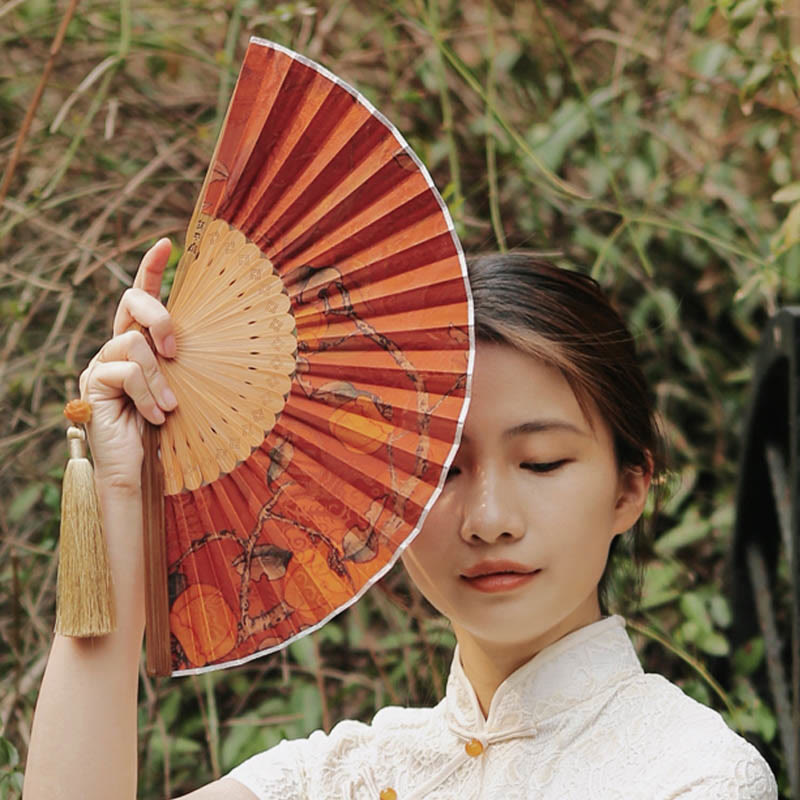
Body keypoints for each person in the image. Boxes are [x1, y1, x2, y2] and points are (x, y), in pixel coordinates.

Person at [23, 241, 777, 800]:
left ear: (631, 486)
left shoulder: (695, 776)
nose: (489, 520)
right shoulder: (342, 777)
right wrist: (120, 492)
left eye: (542, 462)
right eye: (440, 470)